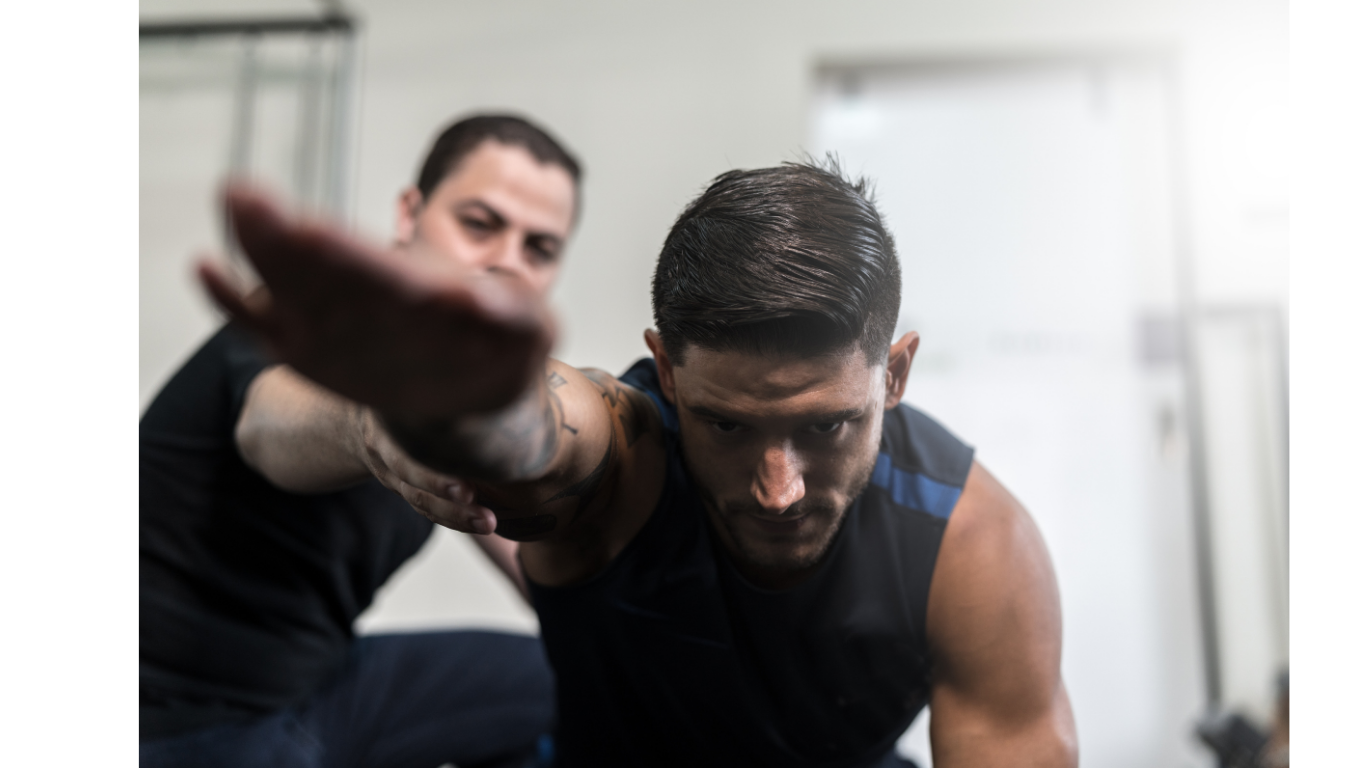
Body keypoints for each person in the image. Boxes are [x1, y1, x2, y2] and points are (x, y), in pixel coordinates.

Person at [204, 159, 1079, 766]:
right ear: (664, 372)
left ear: (893, 374)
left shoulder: (974, 552)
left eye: (827, 428)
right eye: (729, 428)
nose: (780, 490)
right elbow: (548, 434)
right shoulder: (627, 462)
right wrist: (440, 409)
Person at [138, 115, 581, 768]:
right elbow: (269, 425)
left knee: (599, 688)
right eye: (480, 224)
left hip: (320, 683)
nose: (507, 261)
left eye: (538, 248)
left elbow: (541, 567)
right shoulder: (313, 332)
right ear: (410, 214)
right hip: (185, 722)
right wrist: (374, 423)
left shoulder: (465, 403)